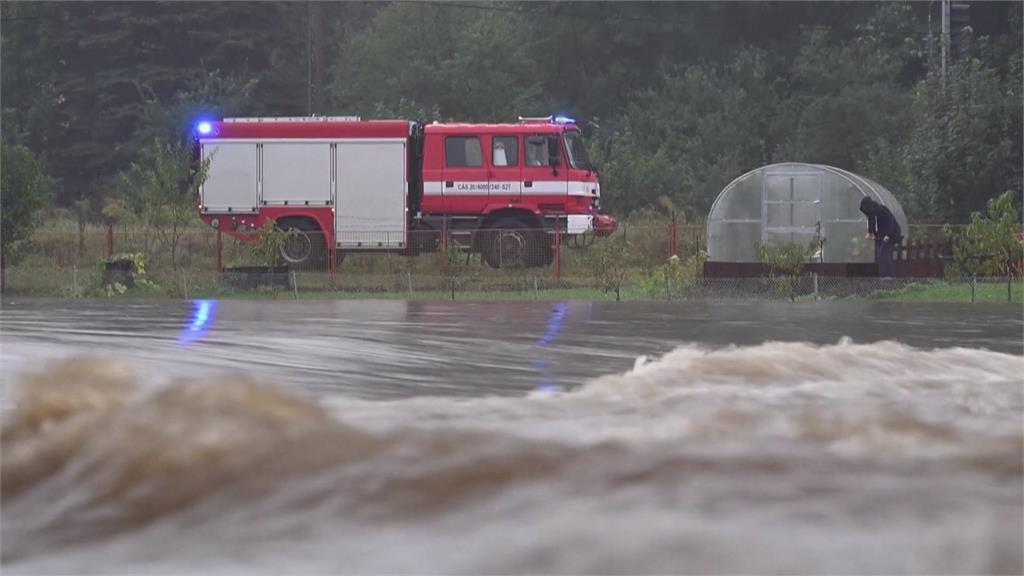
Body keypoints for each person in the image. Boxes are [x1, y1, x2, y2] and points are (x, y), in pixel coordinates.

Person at [859, 196, 902, 279]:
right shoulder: (872, 213)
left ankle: (888, 276)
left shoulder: (883, 210)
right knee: (880, 254)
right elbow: (872, 222)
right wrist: (871, 233)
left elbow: (890, 223)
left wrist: (887, 235)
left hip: (892, 234)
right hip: (883, 235)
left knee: (883, 253)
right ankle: (883, 275)